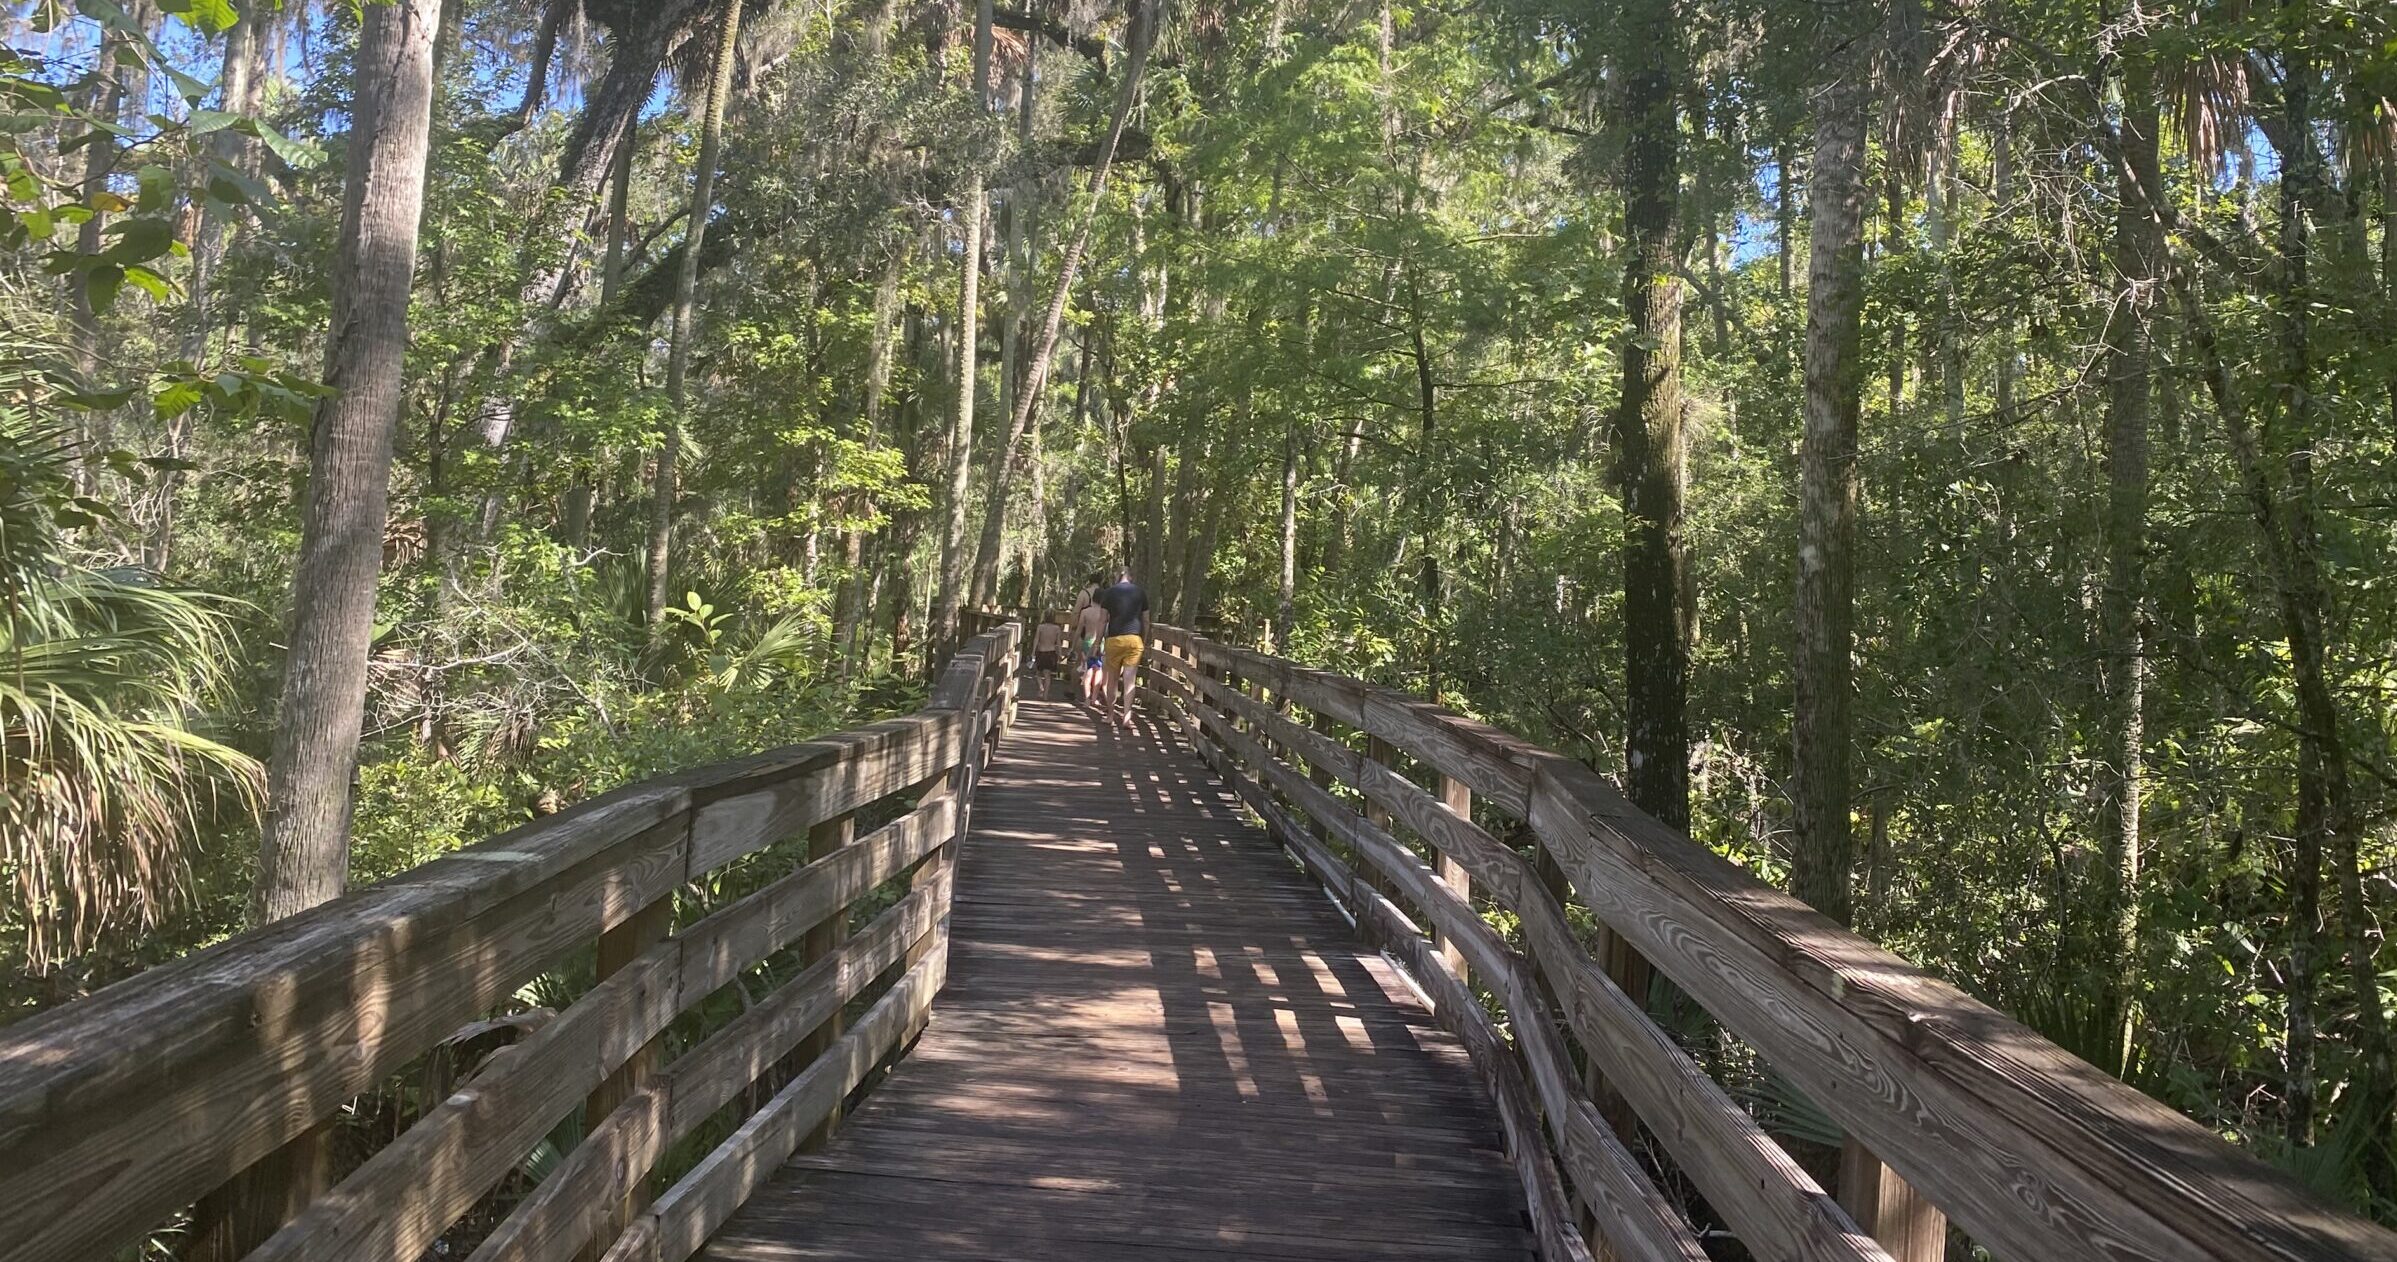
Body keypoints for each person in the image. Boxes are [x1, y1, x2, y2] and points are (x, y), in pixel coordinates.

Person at [1092, 569, 1149, 729]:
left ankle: (1110, 715)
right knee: (1130, 681)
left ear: (1117, 576)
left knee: (1112, 680)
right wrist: (1143, 640)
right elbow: (1146, 620)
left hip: (1114, 640)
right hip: (1134, 639)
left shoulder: (1109, 593)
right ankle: (1126, 718)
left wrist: (1097, 643)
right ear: (1131, 577)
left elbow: (1102, 620)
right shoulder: (1140, 593)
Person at [1075, 589, 1108, 707]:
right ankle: (1094, 698)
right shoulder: (1105, 613)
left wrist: (1074, 644)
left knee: (1088, 670)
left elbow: (1079, 630)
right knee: (1098, 670)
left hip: (1088, 641)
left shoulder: (1085, 612)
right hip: (1100, 642)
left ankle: (1087, 699)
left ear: (1093, 598)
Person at [1030, 614, 1069, 699]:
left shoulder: (1040, 627)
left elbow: (1036, 639)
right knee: (1048, 675)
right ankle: (1045, 696)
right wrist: (1060, 654)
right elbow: (1058, 643)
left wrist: (1033, 651)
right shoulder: (1057, 628)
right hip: (1051, 653)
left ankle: (1041, 687)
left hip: (1041, 652)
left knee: (1038, 672)